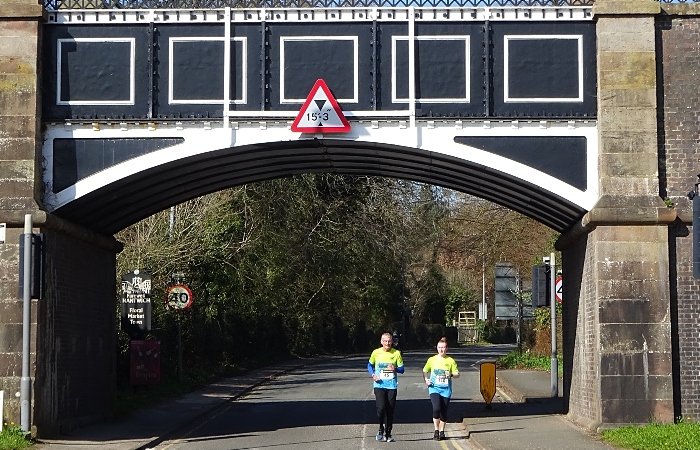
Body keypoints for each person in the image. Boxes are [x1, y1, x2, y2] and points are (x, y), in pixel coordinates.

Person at [368, 332, 405, 443]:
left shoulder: (397, 353)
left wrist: (395, 369)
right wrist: (373, 374)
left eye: (389, 341)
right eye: (385, 341)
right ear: (381, 342)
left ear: (392, 342)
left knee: (390, 410)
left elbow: (402, 369)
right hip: (379, 384)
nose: (387, 343)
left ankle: (388, 433)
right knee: (381, 409)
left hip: (391, 386)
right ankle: (381, 428)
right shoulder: (376, 353)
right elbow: (369, 365)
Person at [423, 337, 460, 441]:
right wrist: (426, 379)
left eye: (443, 348)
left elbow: (458, 374)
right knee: (436, 408)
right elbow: (425, 370)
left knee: (444, 411)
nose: (441, 350)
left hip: (446, 390)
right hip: (434, 388)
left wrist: (451, 374)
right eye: (439, 347)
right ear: (437, 348)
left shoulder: (450, 361)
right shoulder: (432, 359)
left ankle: (442, 431)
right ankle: (436, 430)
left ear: (447, 348)